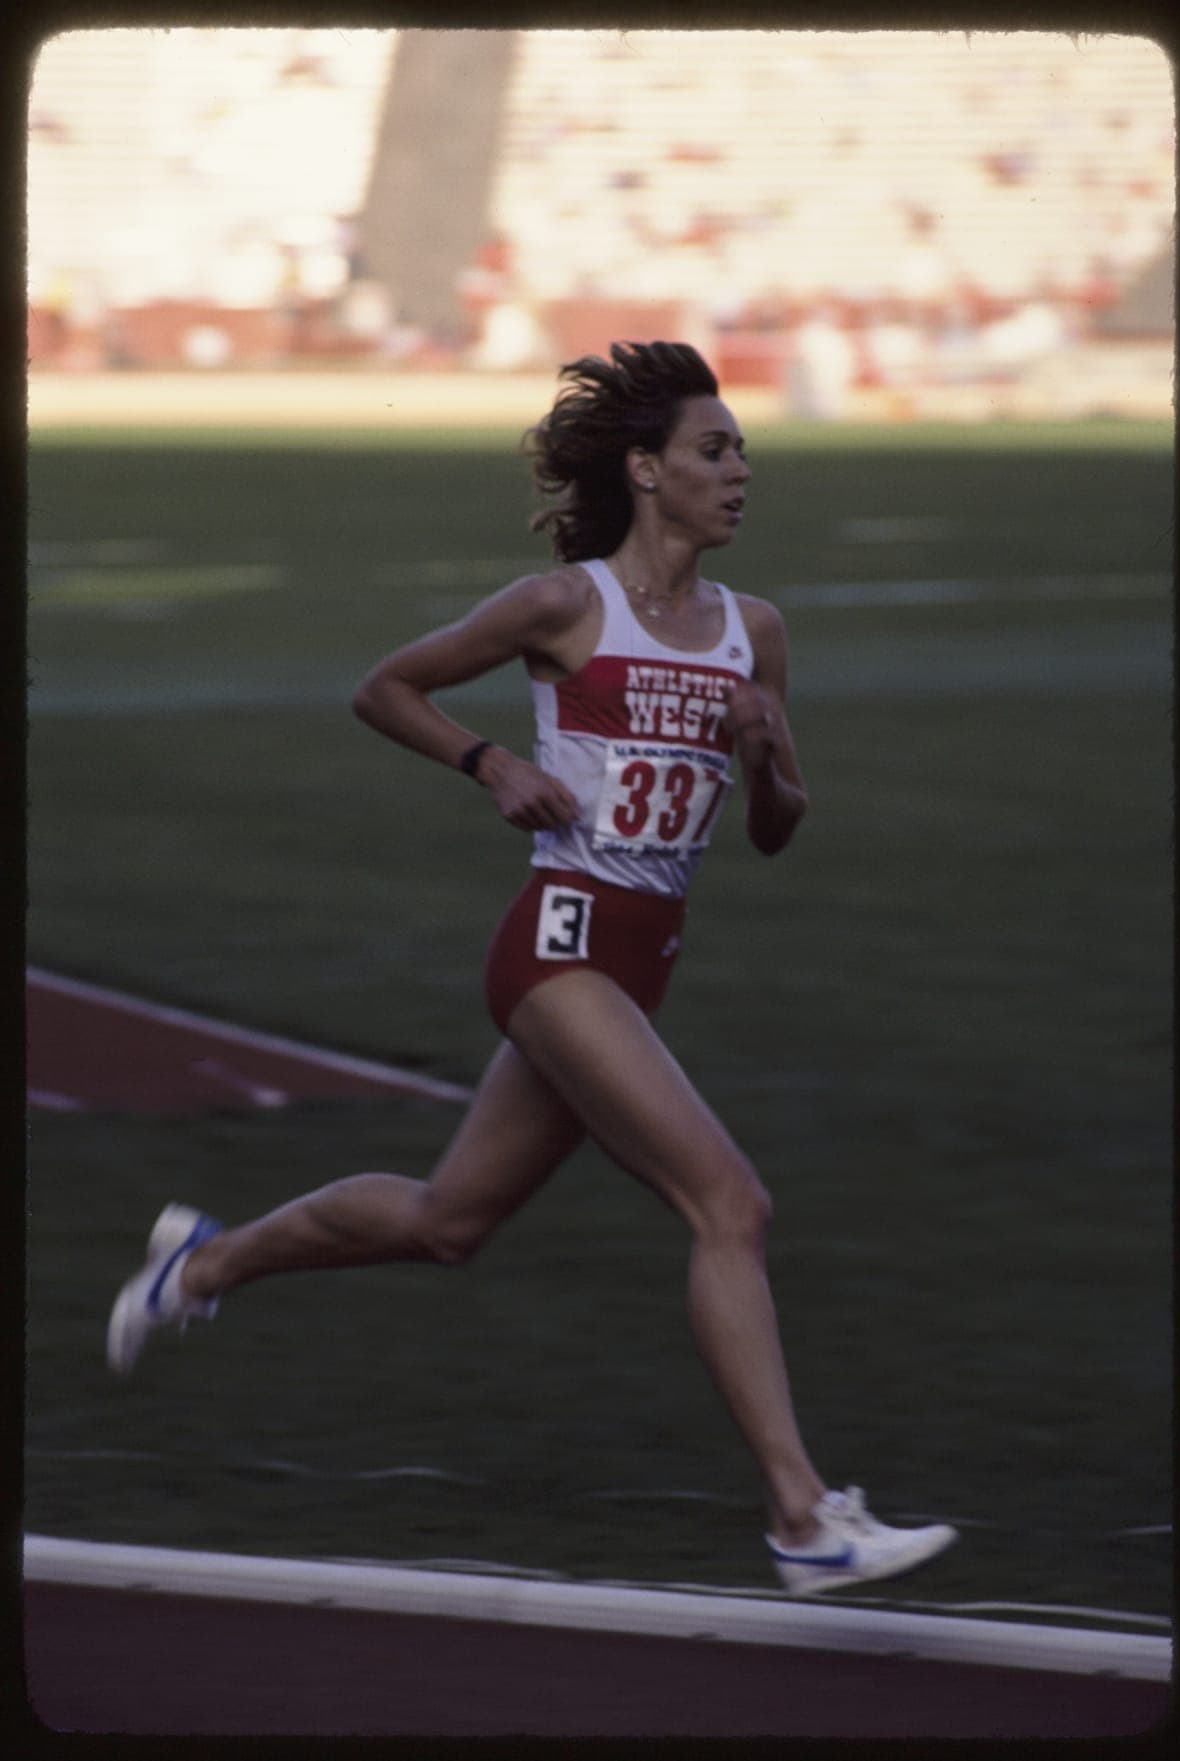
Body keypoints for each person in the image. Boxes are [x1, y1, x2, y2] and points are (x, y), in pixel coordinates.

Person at [107, 341, 957, 1597]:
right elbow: (385, 688)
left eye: (743, 452)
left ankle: (206, 1264)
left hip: (639, 963)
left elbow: (775, 829)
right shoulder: (563, 606)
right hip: (559, 949)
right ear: (645, 470)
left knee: (450, 1223)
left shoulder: (755, 633)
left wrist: (768, 753)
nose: (740, 474)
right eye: (714, 451)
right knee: (731, 1205)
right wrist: (490, 763)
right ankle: (800, 1514)